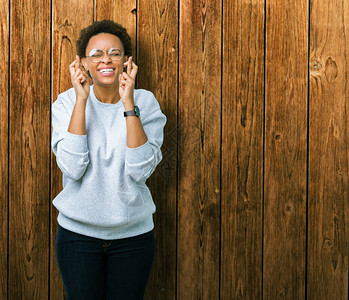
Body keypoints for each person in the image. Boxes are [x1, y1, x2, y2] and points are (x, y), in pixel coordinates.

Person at [51, 19, 166, 300]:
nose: (106, 60)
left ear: (126, 61)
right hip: (77, 236)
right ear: (83, 63)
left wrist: (128, 104)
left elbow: (140, 169)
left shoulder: (145, 102)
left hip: (133, 236)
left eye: (114, 53)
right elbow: (73, 167)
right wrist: (81, 101)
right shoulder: (66, 103)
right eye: (97, 54)